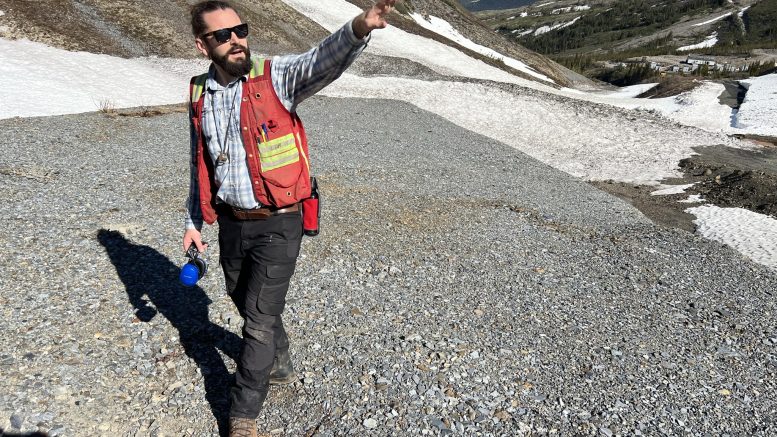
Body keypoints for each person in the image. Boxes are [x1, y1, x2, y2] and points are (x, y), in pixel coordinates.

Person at [182, 1, 397, 435]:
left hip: (280, 221)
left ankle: (243, 415)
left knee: (259, 319)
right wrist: (192, 222)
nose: (236, 40)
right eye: (222, 35)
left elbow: (320, 60)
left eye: (240, 30)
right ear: (203, 46)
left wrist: (359, 27)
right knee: (244, 300)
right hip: (232, 221)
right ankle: (278, 362)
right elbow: (197, 161)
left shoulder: (274, 77)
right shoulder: (199, 92)